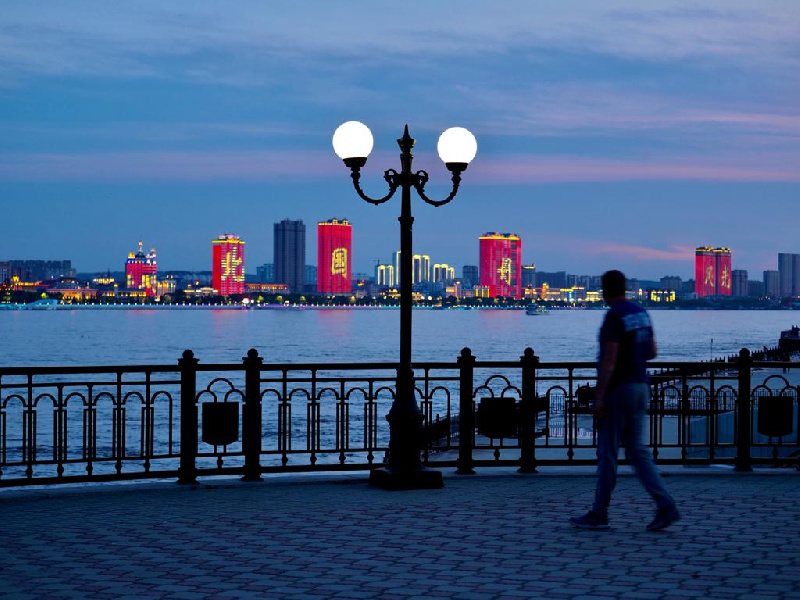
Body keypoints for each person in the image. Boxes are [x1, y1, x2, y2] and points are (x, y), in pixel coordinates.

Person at [569, 270, 680, 531]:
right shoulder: (641, 313)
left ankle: (599, 513)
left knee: (607, 454)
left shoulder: (614, 315)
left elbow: (609, 359)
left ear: (605, 290)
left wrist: (599, 397)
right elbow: (652, 351)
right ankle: (666, 505)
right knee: (637, 451)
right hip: (641, 386)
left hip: (618, 390)